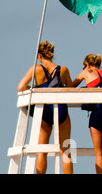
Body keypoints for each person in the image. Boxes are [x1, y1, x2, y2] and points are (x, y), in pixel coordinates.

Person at [17, 40, 74, 174]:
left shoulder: (35, 69)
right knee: (65, 150)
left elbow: (21, 87)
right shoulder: (63, 70)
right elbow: (71, 88)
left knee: (42, 150)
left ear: (39, 56)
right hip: (61, 110)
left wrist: (36, 88)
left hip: (44, 112)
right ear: (52, 54)